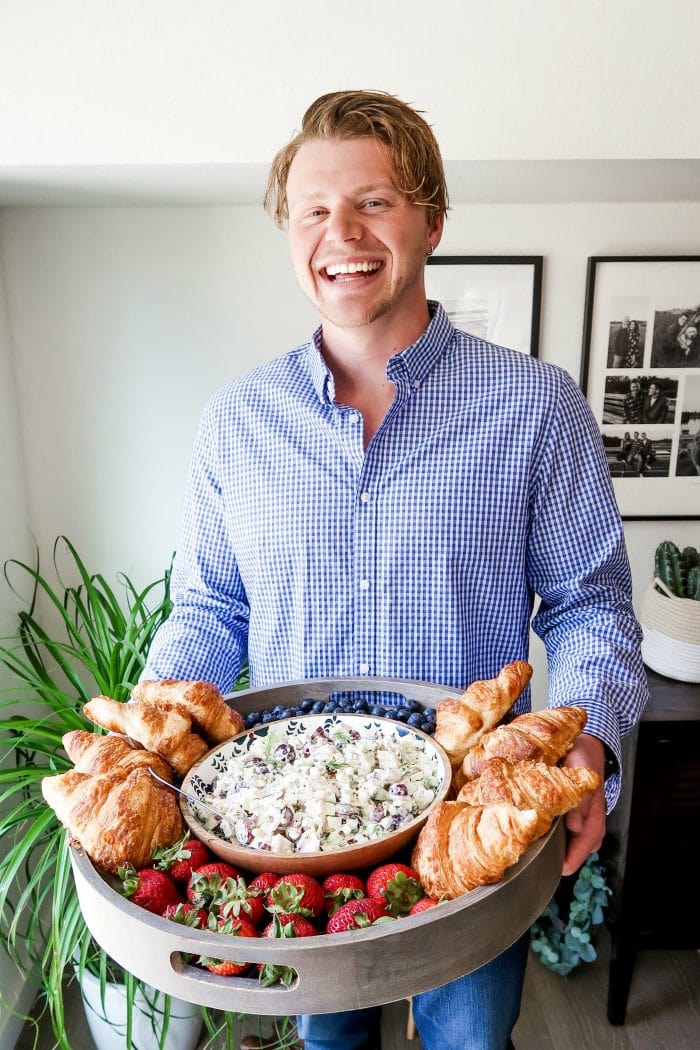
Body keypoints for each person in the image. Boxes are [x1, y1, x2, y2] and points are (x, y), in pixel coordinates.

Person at [141, 90, 649, 1050]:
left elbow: (591, 607)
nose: (342, 233)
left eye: (373, 201)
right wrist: (151, 729)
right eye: (313, 211)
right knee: (331, 1043)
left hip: (471, 827)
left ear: (432, 218)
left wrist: (595, 746)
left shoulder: (538, 408)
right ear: (289, 234)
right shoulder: (236, 422)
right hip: (294, 826)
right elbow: (209, 606)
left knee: (468, 1041)